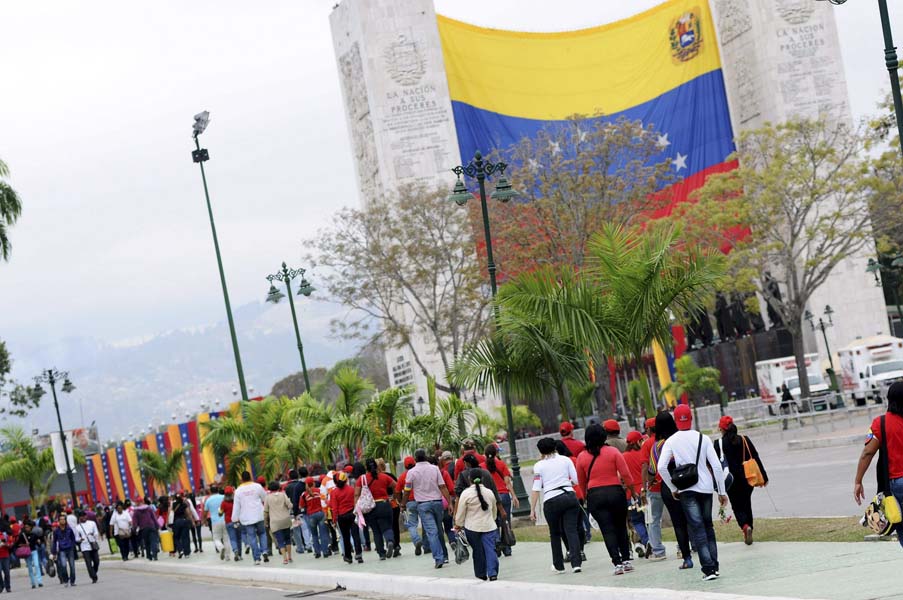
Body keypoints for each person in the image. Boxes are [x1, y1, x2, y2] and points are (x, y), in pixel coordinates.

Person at [658, 404, 728, 582]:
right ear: (691, 418)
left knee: (697, 529)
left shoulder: (671, 441)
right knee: (708, 527)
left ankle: (708, 569)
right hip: (705, 488)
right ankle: (715, 566)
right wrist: (721, 491)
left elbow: (661, 467)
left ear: (676, 420)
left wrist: (673, 488)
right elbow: (717, 467)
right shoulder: (703, 438)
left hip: (686, 490)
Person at [576, 424, 636, 575]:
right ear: (604, 436)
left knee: (607, 530)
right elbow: (626, 474)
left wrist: (584, 498)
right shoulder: (613, 452)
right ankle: (627, 560)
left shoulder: (582, 457)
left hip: (595, 495)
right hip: (615, 492)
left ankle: (617, 563)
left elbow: (581, 482)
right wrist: (633, 491)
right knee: (621, 527)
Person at [855, 381, 903, 549]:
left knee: (900, 523)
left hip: (896, 485)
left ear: (889, 399)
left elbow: (868, 453)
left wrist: (858, 481)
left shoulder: (880, 424)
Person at [530, 437, 583, 574]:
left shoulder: (539, 466)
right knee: (571, 530)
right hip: (569, 496)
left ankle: (559, 565)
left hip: (551, 499)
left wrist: (532, 509)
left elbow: (536, 488)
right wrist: (566, 484)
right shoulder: (566, 460)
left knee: (554, 533)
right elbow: (576, 480)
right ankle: (576, 563)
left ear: (541, 451)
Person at [716, 415, 768, 545]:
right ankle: (749, 527)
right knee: (746, 503)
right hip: (747, 477)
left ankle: (745, 526)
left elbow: (715, 465)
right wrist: (764, 476)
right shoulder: (744, 439)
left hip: (730, 480)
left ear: (721, 429)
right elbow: (755, 457)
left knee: (737, 505)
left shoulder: (718, 444)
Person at [402, 448, 453, 569]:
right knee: (439, 529)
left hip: (423, 505)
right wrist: (450, 503)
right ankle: (444, 555)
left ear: (415, 459)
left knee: (432, 532)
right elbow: (442, 486)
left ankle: (439, 558)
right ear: (425, 457)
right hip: (437, 503)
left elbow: (407, 490)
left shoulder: (411, 472)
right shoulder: (434, 469)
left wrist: (403, 504)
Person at [454, 472, 499, 581]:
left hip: (472, 527)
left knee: (478, 551)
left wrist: (458, 525)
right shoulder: (489, 493)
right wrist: (492, 519)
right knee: (490, 550)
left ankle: (481, 573)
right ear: (482, 479)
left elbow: (461, 512)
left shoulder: (466, 494)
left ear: (469, 479)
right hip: (489, 526)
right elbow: (494, 509)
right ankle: (493, 573)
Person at [355, 458, 396, 560]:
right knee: (387, 527)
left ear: (366, 467)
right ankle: (390, 541)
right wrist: (394, 497)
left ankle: (381, 554)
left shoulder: (362, 479)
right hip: (384, 504)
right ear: (376, 466)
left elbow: (356, 494)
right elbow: (396, 486)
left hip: (370, 508)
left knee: (376, 531)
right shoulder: (384, 476)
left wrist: (357, 506)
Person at [481, 443, 517, 557]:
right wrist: (514, 496)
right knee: (505, 522)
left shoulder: (481, 467)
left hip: (489, 497)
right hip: (504, 496)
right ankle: (507, 548)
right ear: (496, 453)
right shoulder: (501, 464)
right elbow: (507, 482)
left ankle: (496, 545)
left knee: (493, 522)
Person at [623, 430, 651, 558]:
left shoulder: (623, 456)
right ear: (638, 441)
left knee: (636, 521)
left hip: (631, 494)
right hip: (644, 491)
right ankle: (653, 541)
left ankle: (646, 541)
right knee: (649, 519)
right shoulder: (643, 453)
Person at [232, 471, 268, 565]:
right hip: (259, 515)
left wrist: (234, 519)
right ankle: (264, 551)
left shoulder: (238, 491)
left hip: (247, 518)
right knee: (262, 533)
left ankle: (256, 559)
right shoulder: (257, 486)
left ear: (241, 479)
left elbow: (236, 506)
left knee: (252, 537)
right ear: (251, 477)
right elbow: (265, 499)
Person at [329, 471, 362, 564]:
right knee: (356, 535)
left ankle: (348, 556)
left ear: (335, 482)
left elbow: (334, 508)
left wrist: (334, 520)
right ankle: (359, 554)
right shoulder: (352, 489)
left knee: (346, 537)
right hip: (352, 514)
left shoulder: (334, 493)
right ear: (345, 480)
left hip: (342, 517)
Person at [395, 456, 425, 555]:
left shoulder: (402, 476)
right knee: (426, 523)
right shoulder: (420, 473)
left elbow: (397, 491)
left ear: (405, 466)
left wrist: (401, 503)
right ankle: (428, 546)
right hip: (422, 501)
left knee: (412, 524)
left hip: (410, 503)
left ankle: (416, 540)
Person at [264, 480, 294, 565]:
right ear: (278, 487)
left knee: (280, 541)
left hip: (275, 522)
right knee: (288, 539)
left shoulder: (267, 498)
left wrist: (266, 522)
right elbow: (290, 505)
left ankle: (285, 559)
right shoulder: (283, 495)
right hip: (285, 520)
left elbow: (266, 511)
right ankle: (290, 556)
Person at [302, 477, 331, 558]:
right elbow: (325, 501)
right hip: (321, 514)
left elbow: (301, 506)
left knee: (314, 535)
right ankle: (325, 551)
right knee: (323, 533)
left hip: (311, 516)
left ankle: (317, 552)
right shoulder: (319, 491)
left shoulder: (304, 494)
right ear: (314, 483)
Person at [50, 516, 77, 587]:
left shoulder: (69, 529)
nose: (62, 521)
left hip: (70, 549)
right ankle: (65, 580)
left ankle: (72, 581)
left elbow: (73, 539)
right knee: (63, 566)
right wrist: (54, 552)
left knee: (72, 566)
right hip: (62, 550)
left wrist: (72, 545)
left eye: (63, 519)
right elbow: (54, 542)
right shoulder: (56, 531)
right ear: (58, 521)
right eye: (60, 519)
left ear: (65, 521)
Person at [75, 511, 101, 584]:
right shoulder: (78, 527)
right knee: (88, 563)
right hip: (84, 547)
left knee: (97, 561)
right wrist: (80, 539)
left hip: (92, 544)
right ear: (79, 518)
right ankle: (93, 577)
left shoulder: (92, 523)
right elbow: (76, 538)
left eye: (84, 516)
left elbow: (96, 532)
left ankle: (93, 572)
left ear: (86, 516)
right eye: (81, 516)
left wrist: (93, 534)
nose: (83, 517)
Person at [15, 521, 42, 589]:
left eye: (28, 527)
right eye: (25, 527)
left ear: (31, 527)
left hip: (34, 551)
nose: (26, 528)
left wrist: (39, 542)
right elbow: (17, 544)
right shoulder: (22, 535)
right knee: (30, 568)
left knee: (36, 565)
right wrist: (24, 545)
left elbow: (38, 544)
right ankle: (33, 583)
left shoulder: (34, 535)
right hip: (27, 553)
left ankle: (39, 582)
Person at [204, 487, 229, 560]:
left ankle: (221, 547)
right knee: (226, 539)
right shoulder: (223, 497)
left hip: (215, 522)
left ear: (210, 491)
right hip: (225, 520)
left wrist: (204, 520)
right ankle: (227, 557)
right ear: (218, 490)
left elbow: (205, 512)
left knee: (216, 538)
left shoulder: (208, 500)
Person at [132, 496, 160, 561]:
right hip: (151, 526)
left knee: (147, 542)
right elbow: (154, 517)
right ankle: (155, 554)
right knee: (153, 541)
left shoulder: (136, 511)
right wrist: (157, 526)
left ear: (137, 502)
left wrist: (134, 529)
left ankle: (149, 556)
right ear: (143, 501)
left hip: (143, 528)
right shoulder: (149, 508)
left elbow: (135, 522)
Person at [169, 494, 196, 559]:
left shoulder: (173, 504)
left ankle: (180, 550)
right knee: (186, 537)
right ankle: (187, 553)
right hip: (184, 521)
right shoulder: (184, 504)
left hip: (176, 522)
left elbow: (170, 513)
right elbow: (188, 513)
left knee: (176, 537)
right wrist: (192, 521)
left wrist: (168, 523)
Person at [220, 486, 243, 561]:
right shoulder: (236, 501)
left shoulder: (223, 503)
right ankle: (239, 554)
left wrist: (220, 511)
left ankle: (235, 550)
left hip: (229, 522)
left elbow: (220, 513)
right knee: (239, 538)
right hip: (237, 521)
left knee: (232, 538)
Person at [0, 528, 10, 592]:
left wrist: (5, 544)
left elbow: (10, 544)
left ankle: (8, 587)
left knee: (7, 572)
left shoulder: (4, 535)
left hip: (5, 556)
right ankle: (1, 585)